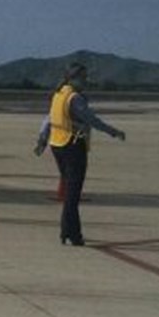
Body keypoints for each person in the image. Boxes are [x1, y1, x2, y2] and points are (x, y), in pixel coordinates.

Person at [34, 62, 126, 247]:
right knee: (72, 194)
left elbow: (49, 119)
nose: (86, 80)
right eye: (83, 77)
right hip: (72, 146)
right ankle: (72, 234)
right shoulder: (74, 98)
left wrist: (42, 140)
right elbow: (91, 120)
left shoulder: (59, 93)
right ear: (73, 78)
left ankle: (66, 230)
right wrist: (113, 131)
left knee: (69, 190)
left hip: (57, 144)